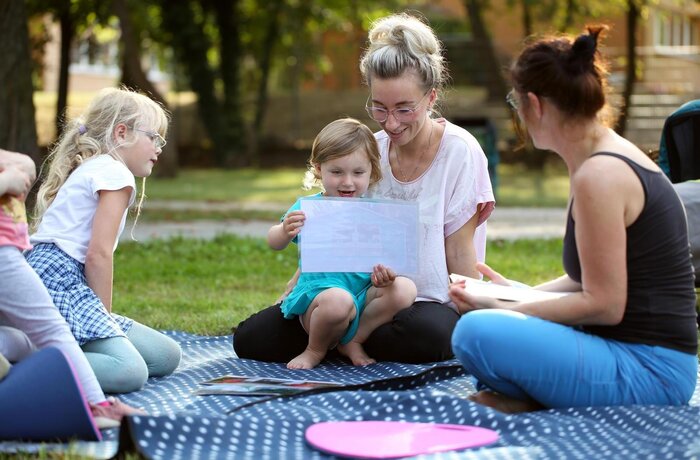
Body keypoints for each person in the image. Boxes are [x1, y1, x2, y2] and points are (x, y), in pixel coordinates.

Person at [449, 26, 698, 413]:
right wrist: (518, 292)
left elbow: (604, 304)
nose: (520, 116)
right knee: (495, 319)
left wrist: (505, 309)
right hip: (639, 357)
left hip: (651, 371)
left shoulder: (600, 176)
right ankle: (530, 398)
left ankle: (531, 400)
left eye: (516, 106)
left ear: (536, 104)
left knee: (474, 333)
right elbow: (591, 277)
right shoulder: (599, 159)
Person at [233, 12, 494, 364]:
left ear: (431, 98)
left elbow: (461, 251)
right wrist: (301, 279)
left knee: (427, 337)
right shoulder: (367, 150)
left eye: (404, 109)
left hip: (425, 301)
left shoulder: (459, 151)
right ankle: (339, 336)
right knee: (251, 340)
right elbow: (333, 219)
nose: (391, 123)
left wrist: (471, 316)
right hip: (357, 294)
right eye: (379, 107)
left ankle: (336, 340)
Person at [25, 87, 182, 394]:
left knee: (166, 355)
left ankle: (54, 350)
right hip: (57, 281)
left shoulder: (97, 168)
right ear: (121, 133)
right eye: (154, 137)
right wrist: (104, 319)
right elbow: (98, 255)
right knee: (129, 371)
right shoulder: (115, 175)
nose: (159, 147)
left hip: (60, 282)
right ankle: (29, 362)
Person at [0, 148, 142, 428]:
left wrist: (21, 167)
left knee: (26, 337)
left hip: (14, 253)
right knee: (49, 329)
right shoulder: (113, 174)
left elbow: (22, 164)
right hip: (5, 254)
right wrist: (8, 183)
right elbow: (98, 255)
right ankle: (97, 405)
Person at [269, 118, 417, 369]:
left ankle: (353, 340)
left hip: (363, 293)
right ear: (318, 169)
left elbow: (387, 257)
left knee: (405, 289)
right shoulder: (311, 208)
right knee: (338, 301)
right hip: (321, 297)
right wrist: (284, 230)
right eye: (336, 172)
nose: (347, 182)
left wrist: (385, 275)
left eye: (358, 173)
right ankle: (315, 349)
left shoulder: (377, 213)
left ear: (372, 170)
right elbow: (274, 242)